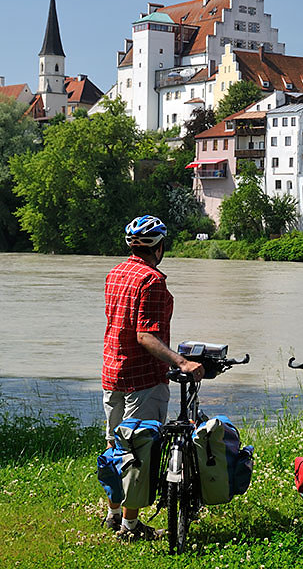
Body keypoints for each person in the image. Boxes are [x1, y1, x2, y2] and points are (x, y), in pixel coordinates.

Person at [102, 215, 204, 540]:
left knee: (115, 446)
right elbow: (145, 335)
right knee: (138, 453)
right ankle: (130, 527)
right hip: (143, 379)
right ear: (160, 247)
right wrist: (181, 362)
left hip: (112, 371)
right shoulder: (152, 281)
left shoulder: (115, 274)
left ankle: (112, 513)